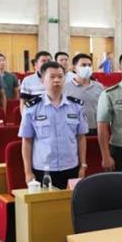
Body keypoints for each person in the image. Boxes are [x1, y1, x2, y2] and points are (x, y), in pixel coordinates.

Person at [19, 61, 87, 189]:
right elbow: (27, 141)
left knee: (72, 200)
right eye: (52, 77)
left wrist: (83, 165)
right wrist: (27, 172)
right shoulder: (32, 108)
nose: (57, 80)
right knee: (46, 202)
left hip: (71, 167)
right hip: (43, 169)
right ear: (42, 80)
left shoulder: (76, 106)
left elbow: (81, 138)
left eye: (60, 77)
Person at [63, 53, 104, 136]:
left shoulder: (99, 86)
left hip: (95, 129)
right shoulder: (65, 88)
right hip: (74, 130)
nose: (87, 68)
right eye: (83, 65)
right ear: (74, 68)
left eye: (89, 65)